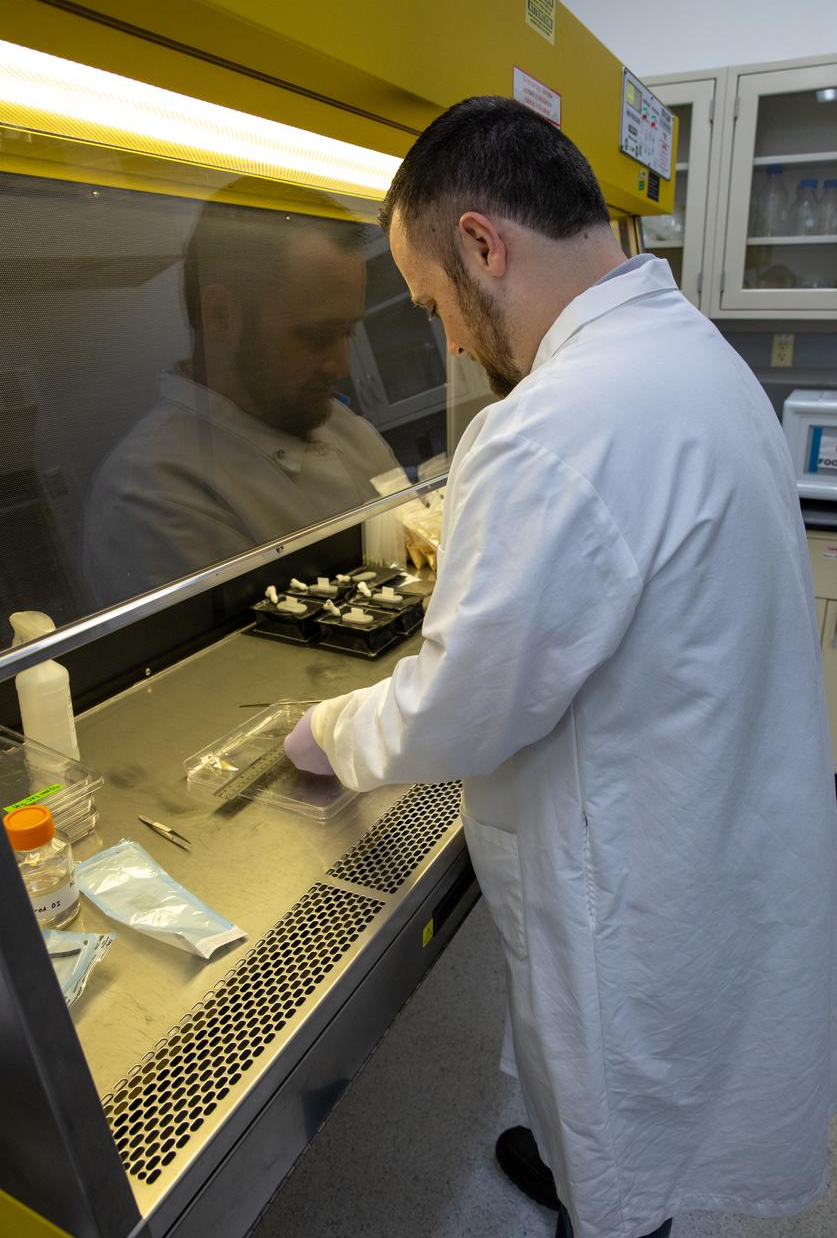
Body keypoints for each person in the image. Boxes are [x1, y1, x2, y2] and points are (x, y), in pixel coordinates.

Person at [284, 97, 836, 1238]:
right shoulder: (687, 350)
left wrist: (327, 730)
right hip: (716, 812)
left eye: (434, 300)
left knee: (626, 1119)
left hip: (645, 862)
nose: (444, 337)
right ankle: (594, 1167)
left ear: (484, 243)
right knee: (626, 1087)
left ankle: (612, 1210)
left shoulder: (554, 422)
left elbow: (459, 707)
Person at [83, 193, 398, 605]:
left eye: (348, 333)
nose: (341, 366)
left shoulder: (339, 422)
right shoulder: (150, 495)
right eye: (317, 336)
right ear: (220, 315)